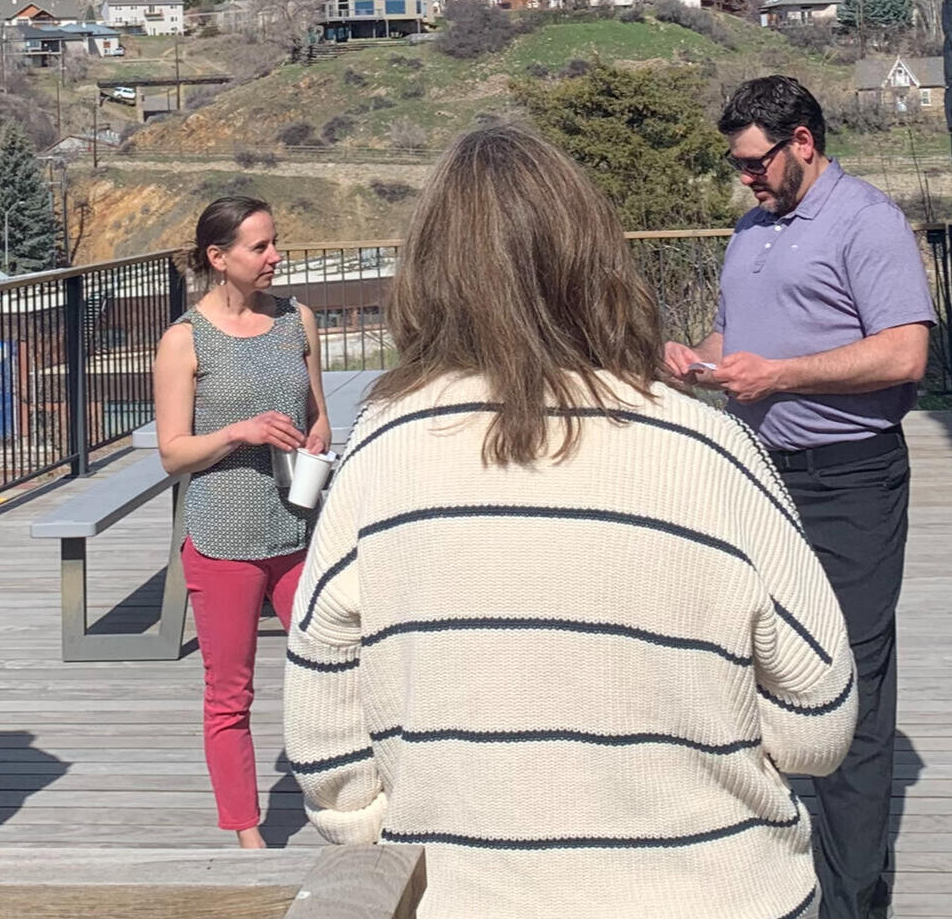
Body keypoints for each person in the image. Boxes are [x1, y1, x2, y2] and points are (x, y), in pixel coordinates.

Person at [286, 124, 856, 918]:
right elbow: (819, 720)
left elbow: (324, 735)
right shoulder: (709, 446)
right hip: (715, 889)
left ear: (424, 273)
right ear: (596, 261)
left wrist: (397, 837)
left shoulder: (380, 450)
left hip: (466, 895)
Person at [664, 76, 932, 919]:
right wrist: (696, 360)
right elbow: (738, 337)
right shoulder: (751, 228)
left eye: (753, 162)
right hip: (757, 473)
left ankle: (852, 902)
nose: (744, 177)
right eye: (735, 164)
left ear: (802, 142)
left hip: (848, 478)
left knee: (850, 682)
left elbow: (904, 354)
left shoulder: (867, 222)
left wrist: (778, 375)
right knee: (749, 668)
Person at [152, 195, 330, 849]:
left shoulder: (297, 320)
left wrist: (315, 441)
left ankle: (353, 799)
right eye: (260, 246)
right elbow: (173, 453)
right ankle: (247, 835)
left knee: (338, 665)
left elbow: (317, 415)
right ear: (218, 257)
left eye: (274, 241)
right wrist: (239, 431)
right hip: (222, 541)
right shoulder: (184, 340)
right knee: (230, 694)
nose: (275, 255)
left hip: (299, 532)